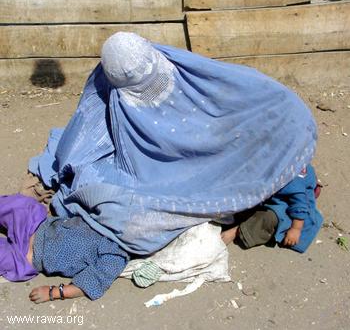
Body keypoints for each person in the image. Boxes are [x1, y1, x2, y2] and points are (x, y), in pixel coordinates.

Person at [28, 32, 319, 256]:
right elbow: (79, 144)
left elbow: (280, 107)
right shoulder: (110, 95)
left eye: (157, 80)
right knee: (130, 219)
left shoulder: (190, 71)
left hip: (224, 143)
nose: (156, 92)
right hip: (163, 175)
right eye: (143, 90)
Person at [0, 194, 129, 304]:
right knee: (21, 204)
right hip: (38, 222)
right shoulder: (107, 218)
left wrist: (53, 292)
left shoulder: (116, 255)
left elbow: (91, 282)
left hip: (28, 257)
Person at [221, 165, 323, 253]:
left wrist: (295, 229)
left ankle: (237, 231)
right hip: (275, 198)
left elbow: (299, 206)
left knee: (268, 217)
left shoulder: (294, 177)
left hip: (291, 212)